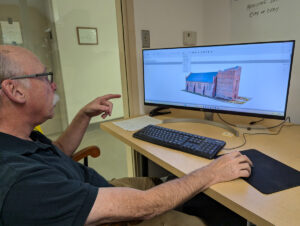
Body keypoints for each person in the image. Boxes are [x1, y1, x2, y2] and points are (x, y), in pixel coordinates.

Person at [0, 45, 252, 226]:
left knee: (171, 183)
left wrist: (83, 115)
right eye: (44, 77)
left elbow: (57, 153)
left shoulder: (19, 137)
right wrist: (211, 171)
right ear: (14, 90)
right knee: (192, 211)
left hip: (95, 189)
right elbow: (144, 205)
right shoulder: (20, 183)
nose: (52, 85)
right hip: (105, 210)